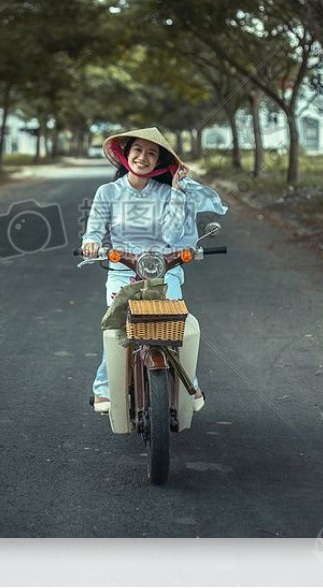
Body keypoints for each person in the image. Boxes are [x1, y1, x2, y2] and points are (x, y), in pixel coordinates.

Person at [80, 126, 228, 413]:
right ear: (126, 154)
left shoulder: (166, 193)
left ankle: (190, 382)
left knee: (175, 326)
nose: (143, 157)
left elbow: (174, 235)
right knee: (120, 326)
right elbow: (94, 230)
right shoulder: (107, 192)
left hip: (163, 270)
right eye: (138, 150)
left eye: (151, 153)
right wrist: (90, 242)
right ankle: (103, 386)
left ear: (159, 162)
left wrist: (176, 192)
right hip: (122, 269)